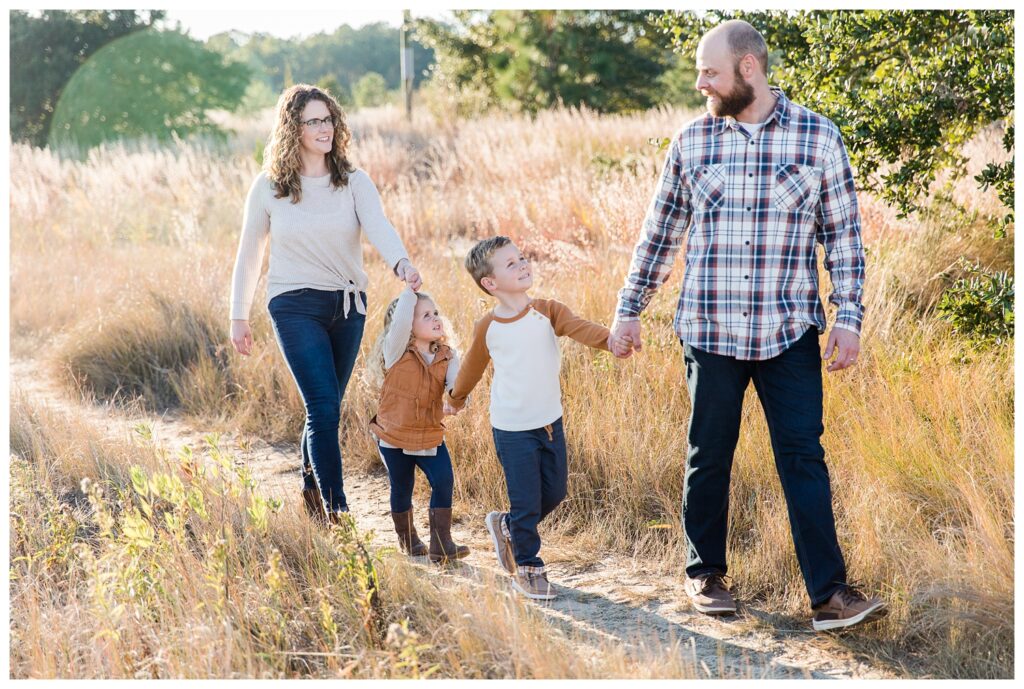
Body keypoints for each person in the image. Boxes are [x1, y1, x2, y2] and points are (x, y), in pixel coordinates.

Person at [610, 20, 886, 631]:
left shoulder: (818, 138)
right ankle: (704, 575)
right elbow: (659, 237)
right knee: (709, 456)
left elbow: (844, 238)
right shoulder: (691, 143)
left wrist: (850, 318)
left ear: (749, 69)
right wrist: (629, 310)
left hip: (788, 332)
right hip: (708, 330)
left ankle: (829, 596)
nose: (700, 82)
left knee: (803, 459)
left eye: (709, 71)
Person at [229, 84, 422, 526]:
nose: (324, 128)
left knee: (327, 406)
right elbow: (249, 254)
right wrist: (237, 315)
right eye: (313, 121)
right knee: (322, 407)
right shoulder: (270, 188)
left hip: (348, 306)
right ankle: (339, 514)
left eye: (329, 119)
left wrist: (402, 263)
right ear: (292, 128)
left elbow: (379, 225)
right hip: (294, 305)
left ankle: (312, 496)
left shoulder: (353, 181)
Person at [449, 236, 625, 600]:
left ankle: (508, 526)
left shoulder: (547, 310)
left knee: (556, 491)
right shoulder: (488, 327)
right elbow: (471, 367)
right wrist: (456, 399)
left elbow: (579, 326)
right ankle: (528, 568)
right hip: (511, 429)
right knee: (527, 500)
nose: (523, 264)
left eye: (522, 258)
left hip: (549, 421)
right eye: (511, 263)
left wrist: (610, 341)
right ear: (490, 284)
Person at [367, 286, 470, 563]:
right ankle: (408, 539)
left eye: (436, 312)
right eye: (426, 315)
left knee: (444, 479)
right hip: (394, 434)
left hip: (428, 434)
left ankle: (441, 543)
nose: (436, 318)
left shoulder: (448, 356)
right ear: (408, 327)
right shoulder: (396, 351)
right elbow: (400, 319)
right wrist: (409, 289)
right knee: (402, 486)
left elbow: (457, 387)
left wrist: (455, 402)